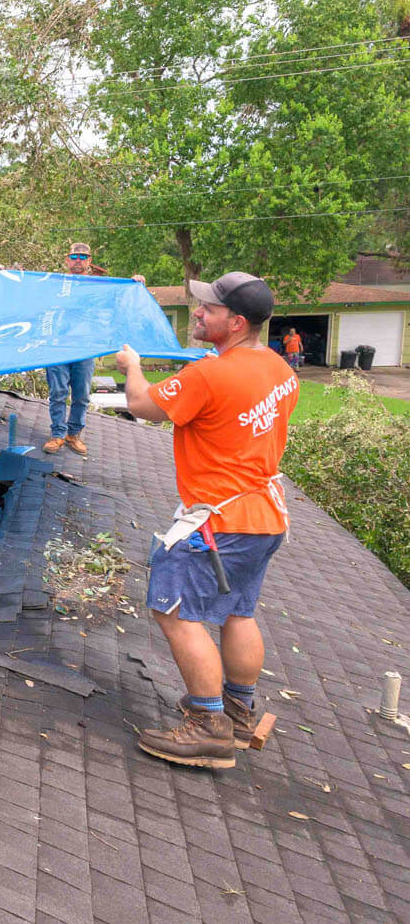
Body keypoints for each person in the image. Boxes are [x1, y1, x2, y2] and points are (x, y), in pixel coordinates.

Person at [115, 271, 298, 770]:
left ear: (235, 322)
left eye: (208, 309)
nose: (198, 312)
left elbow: (141, 406)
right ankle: (238, 711)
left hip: (218, 521)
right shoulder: (280, 369)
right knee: (237, 610)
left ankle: (208, 725)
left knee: (175, 611)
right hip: (264, 517)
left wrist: (133, 366)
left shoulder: (208, 376)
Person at [39, 242, 142, 456]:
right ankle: (57, 434)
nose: (78, 261)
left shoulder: (99, 285)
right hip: (58, 347)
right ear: (67, 260)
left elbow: (119, 297)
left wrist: (135, 283)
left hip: (85, 348)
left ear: (89, 261)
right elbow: (29, 288)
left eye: (82, 257)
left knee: (82, 394)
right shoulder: (56, 284)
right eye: (74, 257)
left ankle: (73, 434)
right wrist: (4, 273)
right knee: (57, 393)